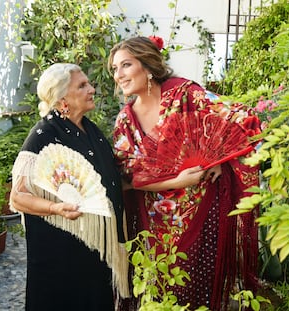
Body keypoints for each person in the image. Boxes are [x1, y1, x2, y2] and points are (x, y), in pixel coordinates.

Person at [108, 36, 261, 310]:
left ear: (148, 65)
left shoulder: (184, 94)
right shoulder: (125, 120)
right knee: (160, 290)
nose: (118, 75)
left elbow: (238, 119)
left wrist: (220, 155)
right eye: (115, 69)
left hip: (200, 212)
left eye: (125, 65)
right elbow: (126, 180)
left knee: (199, 290)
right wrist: (177, 181)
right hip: (152, 223)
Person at [9, 63, 129, 311]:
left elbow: (111, 179)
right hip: (61, 253)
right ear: (62, 99)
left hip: (93, 248)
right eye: (82, 85)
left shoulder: (90, 129)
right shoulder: (43, 134)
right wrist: (55, 207)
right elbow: (18, 197)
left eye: (89, 83)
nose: (92, 89)